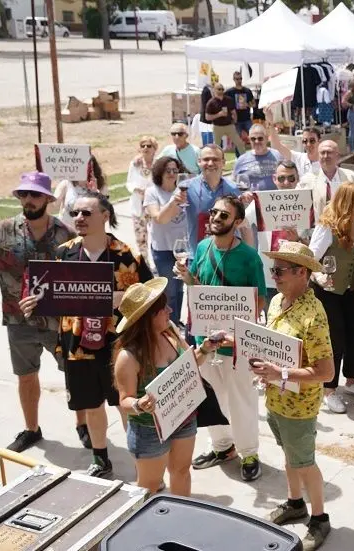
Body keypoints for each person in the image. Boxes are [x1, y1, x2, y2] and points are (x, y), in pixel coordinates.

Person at [20, 190, 154, 477]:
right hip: (77, 343)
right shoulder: (63, 253)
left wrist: (121, 297)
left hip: (118, 344)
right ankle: (100, 457)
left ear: (105, 216)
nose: (78, 218)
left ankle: (141, 459)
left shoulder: (127, 256)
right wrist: (34, 303)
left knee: (124, 402)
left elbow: (150, 296)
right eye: (75, 213)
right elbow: (50, 295)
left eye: (86, 213)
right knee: (91, 404)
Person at [0, 172, 75, 452]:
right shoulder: (1, 231)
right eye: (23, 194)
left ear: (48, 200)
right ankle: (31, 429)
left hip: (58, 322)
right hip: (18, 321)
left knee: (76, 373)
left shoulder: (66, 235)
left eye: (35, 194)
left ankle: (84, 424)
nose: (28, 199)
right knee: (26, 376)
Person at [175, 194, 267, 481]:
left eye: (223, 215)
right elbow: (199, 286)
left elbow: (260, 300)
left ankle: (249, 452)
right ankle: (222, 447)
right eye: (214, 213)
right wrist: (186, 276)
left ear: (238, 222)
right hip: (205, 341)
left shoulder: (250, 257)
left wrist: (236, 324)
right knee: (210, 397)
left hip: (235, 344)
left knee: (241, 399)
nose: (215, 218)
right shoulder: (202, 247)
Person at [254, 241, 334, 550]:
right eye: (272, 269)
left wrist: (281, 374)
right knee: (289, 456)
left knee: (304, 462)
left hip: (299, 405)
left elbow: (326, 372)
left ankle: (319, 518)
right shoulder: (277, 302)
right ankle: (294, 503)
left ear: (302, 273)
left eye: (280, 270)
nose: (274, 275)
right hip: (275, 399)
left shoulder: (313, 315)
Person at [113, 277, 208, 496]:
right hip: (149, 430)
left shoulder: (171, 331)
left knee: (182, 471)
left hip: (183, 418)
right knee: (149, 488)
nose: (170, 310)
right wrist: (139, 404)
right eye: (163, 308)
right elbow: (124, 400)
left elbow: (190, 363)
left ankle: (182, 519)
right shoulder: (128, 357)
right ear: (148, 317)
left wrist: (204, 349)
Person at [308, 183, 354, 414]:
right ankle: (329, 390)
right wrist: (318, 277)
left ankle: (351, 380)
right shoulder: (327, 227)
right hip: (327, 292)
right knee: (334, 340)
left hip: (352, 291)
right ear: (347, 202)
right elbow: (311, 259)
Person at [144, 157, 190, 325]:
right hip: (163, 249)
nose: (172, 174)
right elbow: (159, 218)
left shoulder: (185, 190)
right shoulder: (152, 192)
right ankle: (169, 325)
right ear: (159, 173)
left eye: (175, 170)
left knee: (180, 289)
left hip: (184, 249)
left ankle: (176, 321)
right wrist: (174, 201)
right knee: (169, 290)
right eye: (167, 170)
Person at [184, 144, 251, 257]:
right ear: (199, 162)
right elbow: (163, 219)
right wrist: (173, 202)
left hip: (229, 257)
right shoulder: (186, 188)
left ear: (223, 163)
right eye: (206, 159)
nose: (210, 163)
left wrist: (249, 255)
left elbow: (244, 225)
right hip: (198, 257)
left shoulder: (235, 189)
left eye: (215, 159)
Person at [301, 140, 354, 222]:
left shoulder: (352, 178)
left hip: (345, 229)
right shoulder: (307, 180)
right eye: (322, 153)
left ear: (337, 156)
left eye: (329, 152)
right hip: (319, 229)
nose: (325, 156)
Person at [53, 156, 108, 228]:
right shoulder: (66, 183)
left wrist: (95, 193)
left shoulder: (100, 185)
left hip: (89, 232)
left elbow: (105, 211)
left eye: (88, 166)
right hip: (67, 232)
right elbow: (53, 207)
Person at [127, 136, 157, 264]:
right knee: (141, 237)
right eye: (143, 146)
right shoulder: (135, 164)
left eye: (149, 146)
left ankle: (157, 261)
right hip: (138, 204)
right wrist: (137, 189)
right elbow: (129, 183)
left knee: (156, 235)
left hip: (154, 205)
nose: (145, 148)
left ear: (154, 148)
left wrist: (149, 192)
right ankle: (145, 263)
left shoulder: (159, 164)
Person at [232, 124, 282, 192]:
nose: (256, 141)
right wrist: (245, 193)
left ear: (266, 138)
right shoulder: (241, 160)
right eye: (253, 139)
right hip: (252, 200)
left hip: (274, 199)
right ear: (249, 140)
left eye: (260, 138)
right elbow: (236, 184)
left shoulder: (278, 156)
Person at [205, 83, 248, 156]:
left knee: (239, 143)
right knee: (216, 146)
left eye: (222, 89)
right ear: (214, 90)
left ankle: (245, 160)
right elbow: (207, 117)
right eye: (219, 89)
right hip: (217, 127)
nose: (221, 91)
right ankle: (217, 161)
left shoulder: (228, 100)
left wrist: (235, 121)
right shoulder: (211, 102)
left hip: (229, 126)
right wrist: (219, 114)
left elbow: (233, 112)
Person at [227, 71, 255, 138]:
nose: (239, 80)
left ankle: (255, 148)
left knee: (254, 136)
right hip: (236, 121)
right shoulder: (229, 92)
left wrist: (247, 105)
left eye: (240, 78)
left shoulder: (247, 91)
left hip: (247, 119)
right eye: (237, 79)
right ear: (233, 79)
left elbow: (254, 104)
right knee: (237, 140)